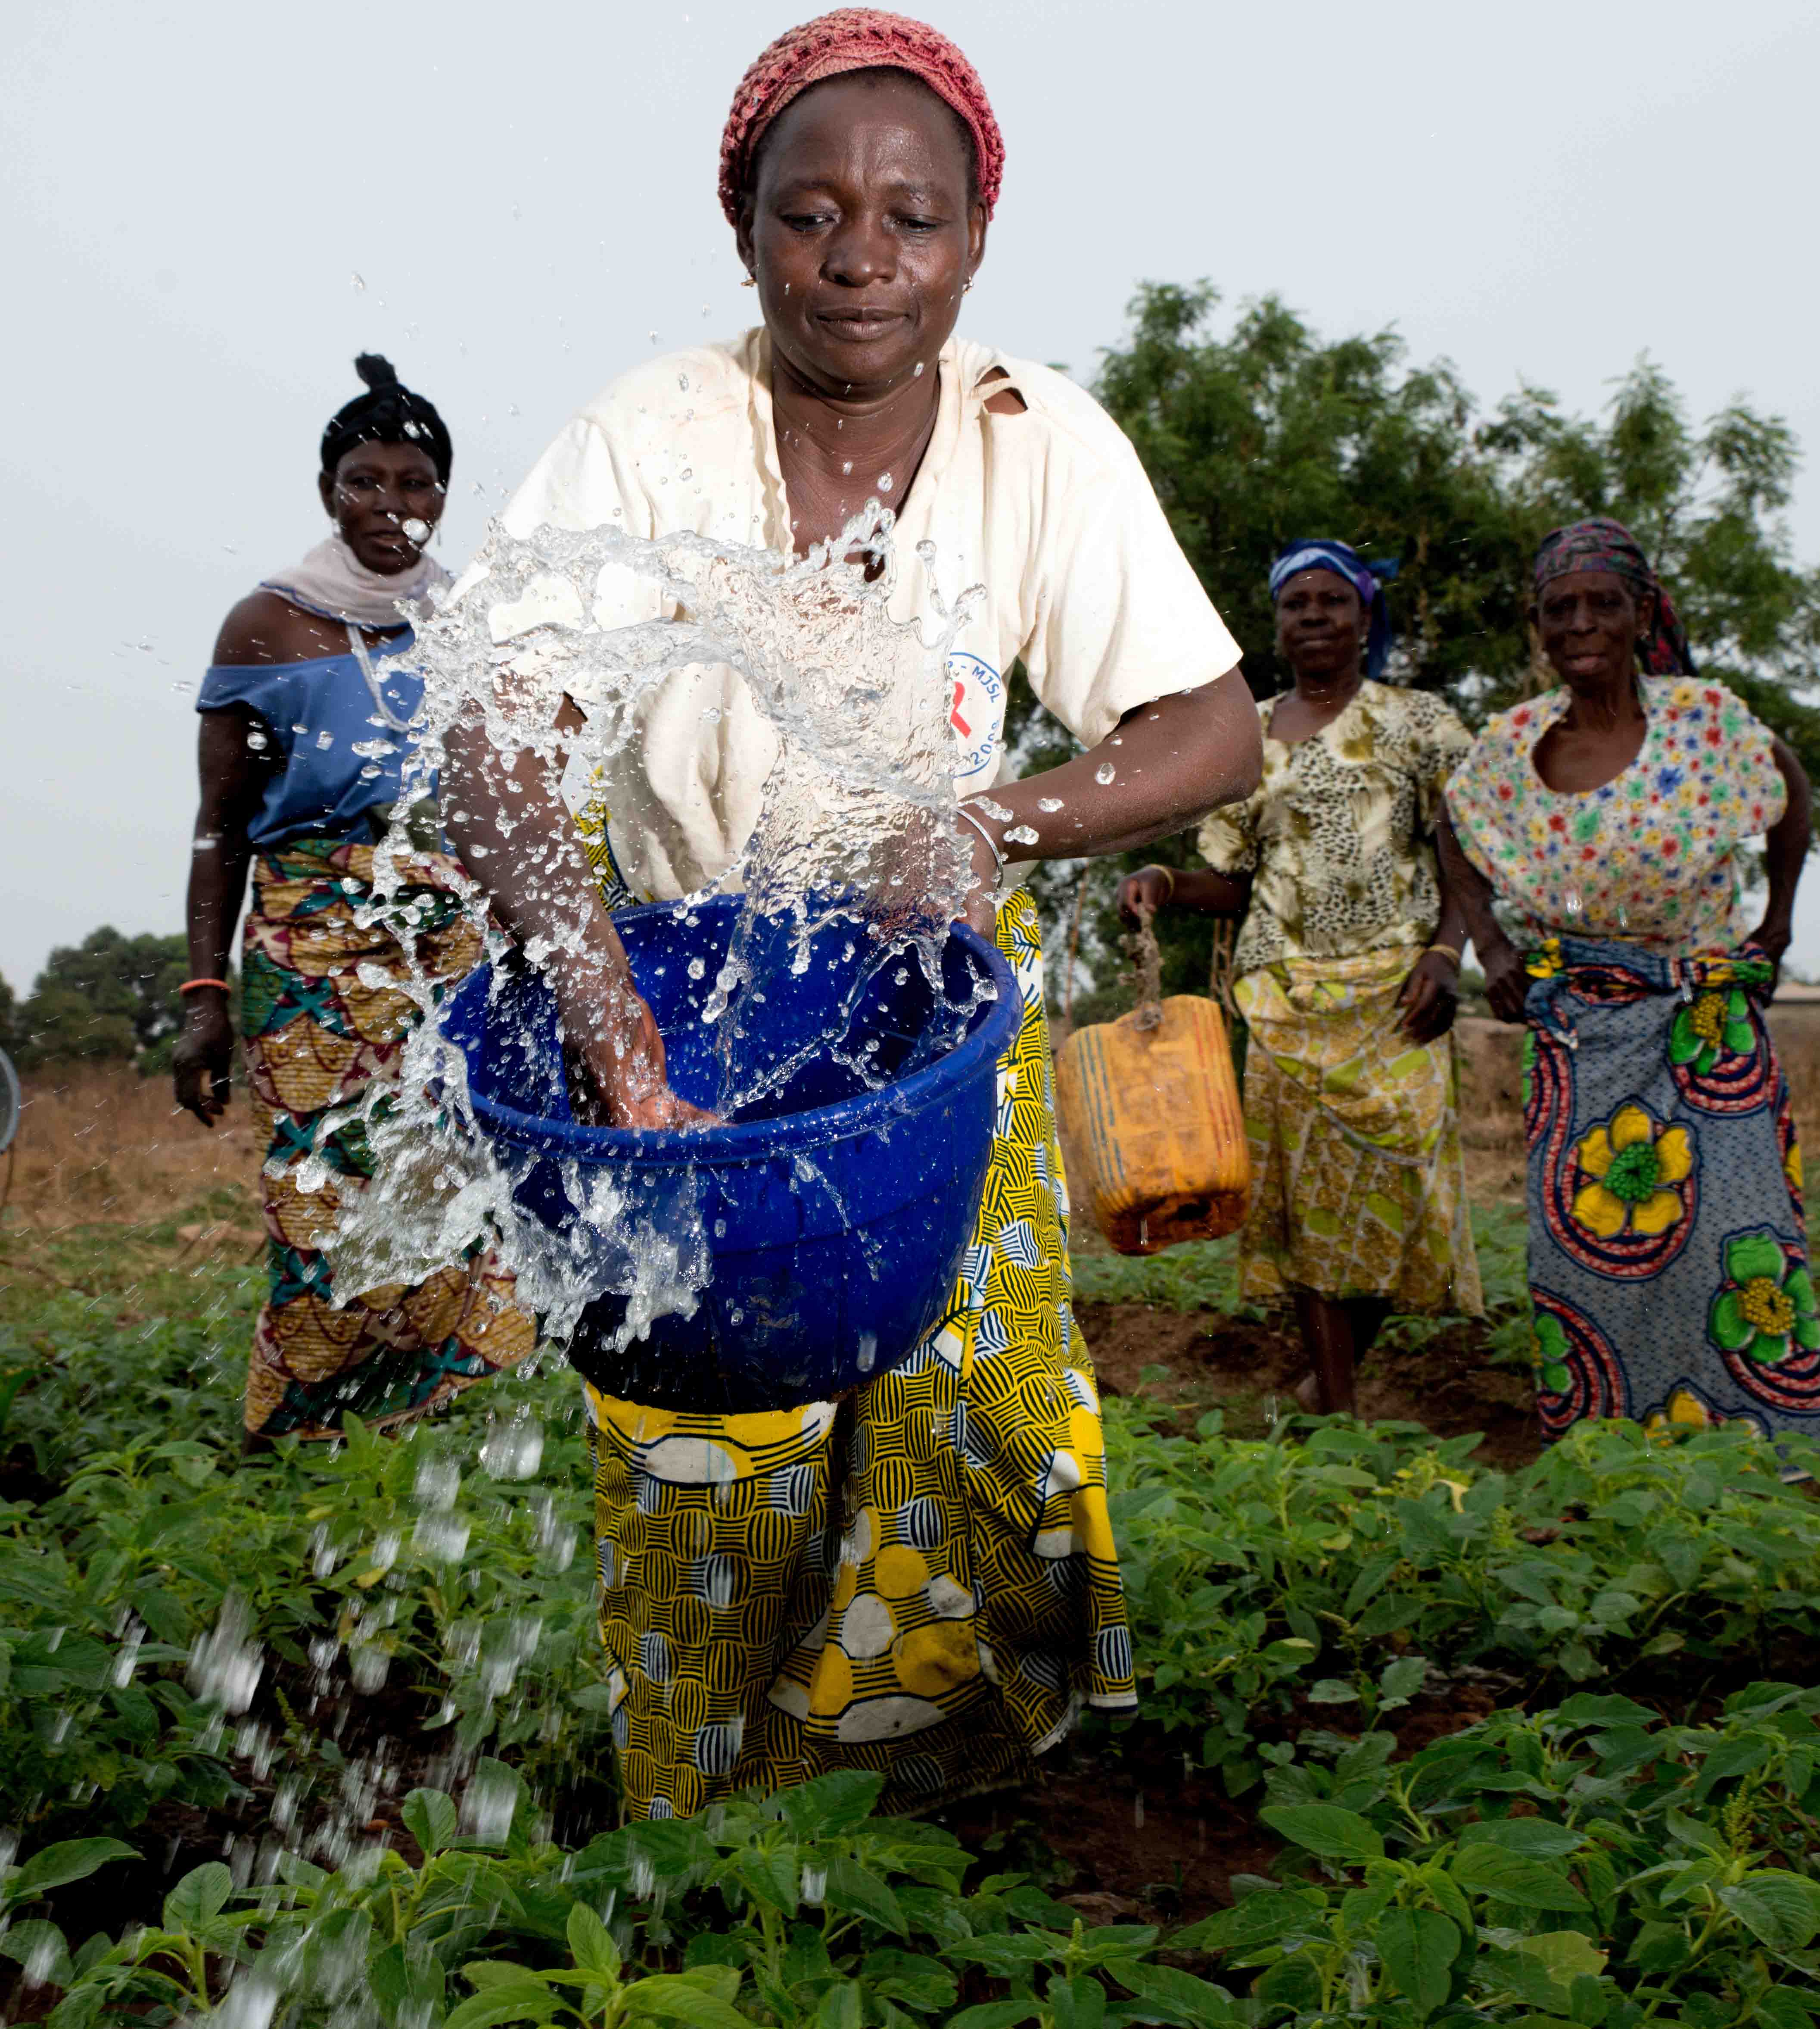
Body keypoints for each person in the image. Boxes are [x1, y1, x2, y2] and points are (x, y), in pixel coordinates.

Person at [454, 9, 1262, 1820]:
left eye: (912, 217)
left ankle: (915, 1814)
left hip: (935, 1010)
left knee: (971, 1423)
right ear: (742, 227)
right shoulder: (650, 437)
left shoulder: (1037, 442)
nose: (860, 259)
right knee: (710, 1435)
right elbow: (493, 741)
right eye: (810, 214)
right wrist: (607, 1023)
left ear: (977, 237)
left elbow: (1210, 728)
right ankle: (703, 1828)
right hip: (686, 1004)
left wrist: (995, 821)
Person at [172, 356, 534, 1441]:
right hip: (313, 943)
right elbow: (220, 824)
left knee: (458, 1173)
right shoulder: (266, 627)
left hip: (451, 944)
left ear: (444, 497)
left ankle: (440, 1419)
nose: (391, 505)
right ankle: (306, 1430)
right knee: (319, 1186)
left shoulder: (472, 624)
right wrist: (203, 996)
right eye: (365, 482)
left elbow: (512, 806)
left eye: (415, 484)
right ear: (328, 492)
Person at [1438, 517, 1820, 1467]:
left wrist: (1778, 923)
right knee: (1589, 1258)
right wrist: (1489, 946)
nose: (1580, 624)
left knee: (1736, 1245)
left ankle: (1771, 1468)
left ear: (1641, 613)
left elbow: (1790, 792)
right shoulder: (1512, 745)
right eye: (1559, 609)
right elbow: (1452, 827)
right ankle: (1609, 1468)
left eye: (1602, 604)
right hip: (1580, 1031)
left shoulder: (1706, 721)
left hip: (1707, 1026)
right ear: (1539, 625)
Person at [1116, 539, 1481, 1417]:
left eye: (1331, 601)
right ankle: (1338, 1406)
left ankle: (1332, 1380)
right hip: (1283, 998)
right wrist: (1166, 881)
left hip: (1398, 994)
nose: (1313, 616)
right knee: (1308, 1201)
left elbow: (1466, 854)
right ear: (1276, 624)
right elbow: (1236, 881)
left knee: (1409, 1185)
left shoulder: (1420, 723)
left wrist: (1447, 953)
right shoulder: (1244, 737)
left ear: (1364, 616)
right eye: (1296, 604)